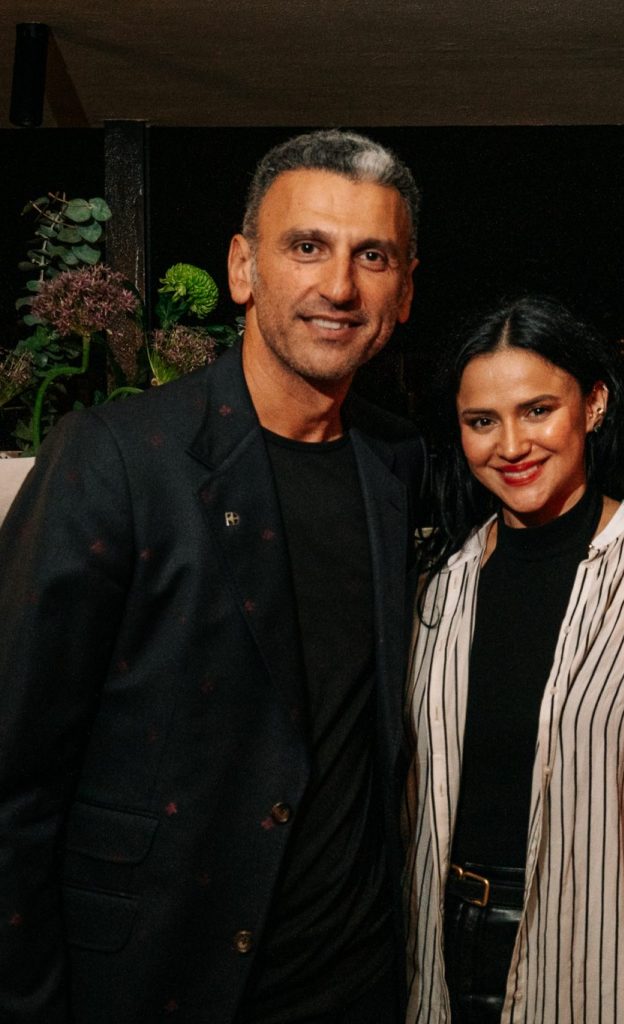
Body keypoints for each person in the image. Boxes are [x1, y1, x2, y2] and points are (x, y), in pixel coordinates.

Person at [0, 130, 423, 1023]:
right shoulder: (115, 460)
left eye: (371, 256)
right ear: (243, 267)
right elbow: (14, 775)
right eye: (306, 246)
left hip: (353, 988)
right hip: (158, 981)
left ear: (406, 288)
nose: (339, 287)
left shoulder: (398, 467)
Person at [404, 296, 624, 1024]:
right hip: (441, 961)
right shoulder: (441, 586)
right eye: (483, 422)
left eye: (538, 410)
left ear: (595, 405)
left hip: (598, 965)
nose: (511, 445)